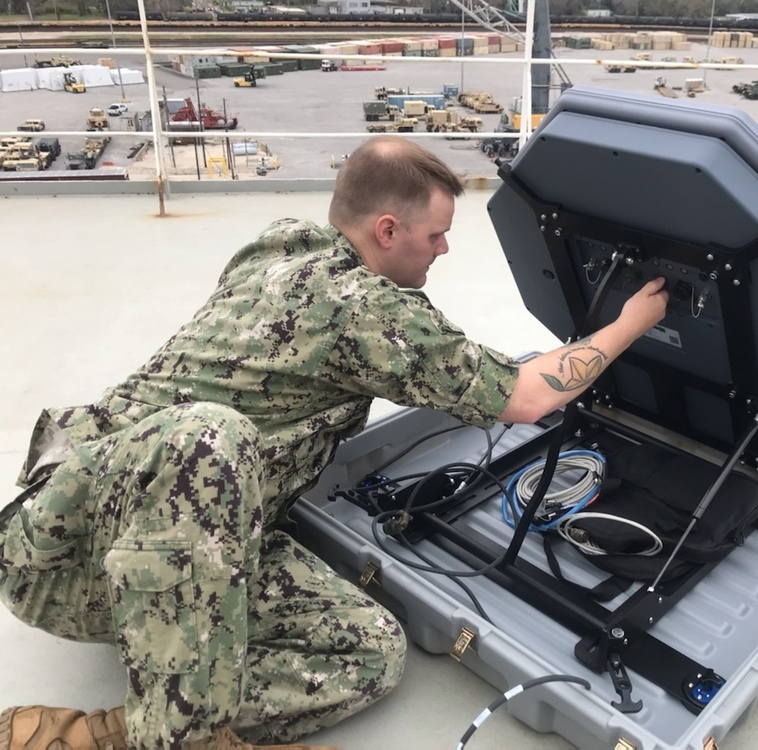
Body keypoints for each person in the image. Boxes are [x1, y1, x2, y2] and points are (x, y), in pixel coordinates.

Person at [0, 137, 669, 750]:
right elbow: (528, 396)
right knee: (212, 436)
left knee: (370, 651)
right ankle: (181, 740)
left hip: (185, 530)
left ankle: (104, 734)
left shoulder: (283, 242)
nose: (443, 250)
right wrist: (631, 323)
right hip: (71, 566)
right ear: (387, 230)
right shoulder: (364, 311)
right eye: (436, 236)